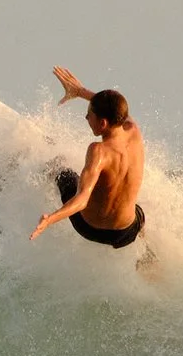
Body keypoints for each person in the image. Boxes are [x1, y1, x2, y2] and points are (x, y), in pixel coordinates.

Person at [30, 67, 147, 248]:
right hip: (126, 233)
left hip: (90, 229)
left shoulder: (99, 151)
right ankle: (147, 252)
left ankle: (35, 172)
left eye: (89, 115)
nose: (86, 117)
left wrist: (50, 219)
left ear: (102, 123)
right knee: (138, 213)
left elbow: (82, 198)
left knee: (61, 169)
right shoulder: (134, 131)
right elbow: (119, 110)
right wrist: (80, 91)